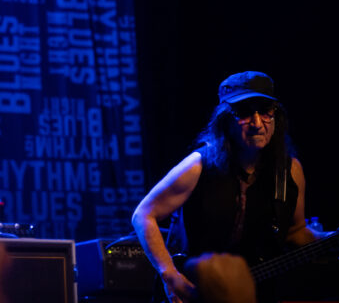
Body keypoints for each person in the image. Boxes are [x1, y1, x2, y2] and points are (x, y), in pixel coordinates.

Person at [132, 71, 327, 303]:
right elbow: (144, 214)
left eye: (265, 111)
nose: (257, 123)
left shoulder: (289, 171)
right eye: (244, 113)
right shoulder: (199, 165)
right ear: (226, 120)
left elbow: (295, 233)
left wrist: (331, 239)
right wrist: (171, 277)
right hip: (195, 292)